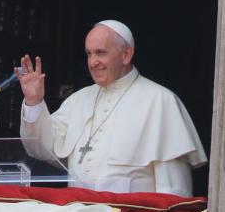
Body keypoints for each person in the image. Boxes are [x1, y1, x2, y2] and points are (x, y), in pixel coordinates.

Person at [17, 19, 207, 196]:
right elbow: (40, 149)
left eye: (100, 53)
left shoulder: (161, 101)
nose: (93, 62)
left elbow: (173, 189)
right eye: (89, 54)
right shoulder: (78, 100)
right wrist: (34, 102)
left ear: (126, 55)